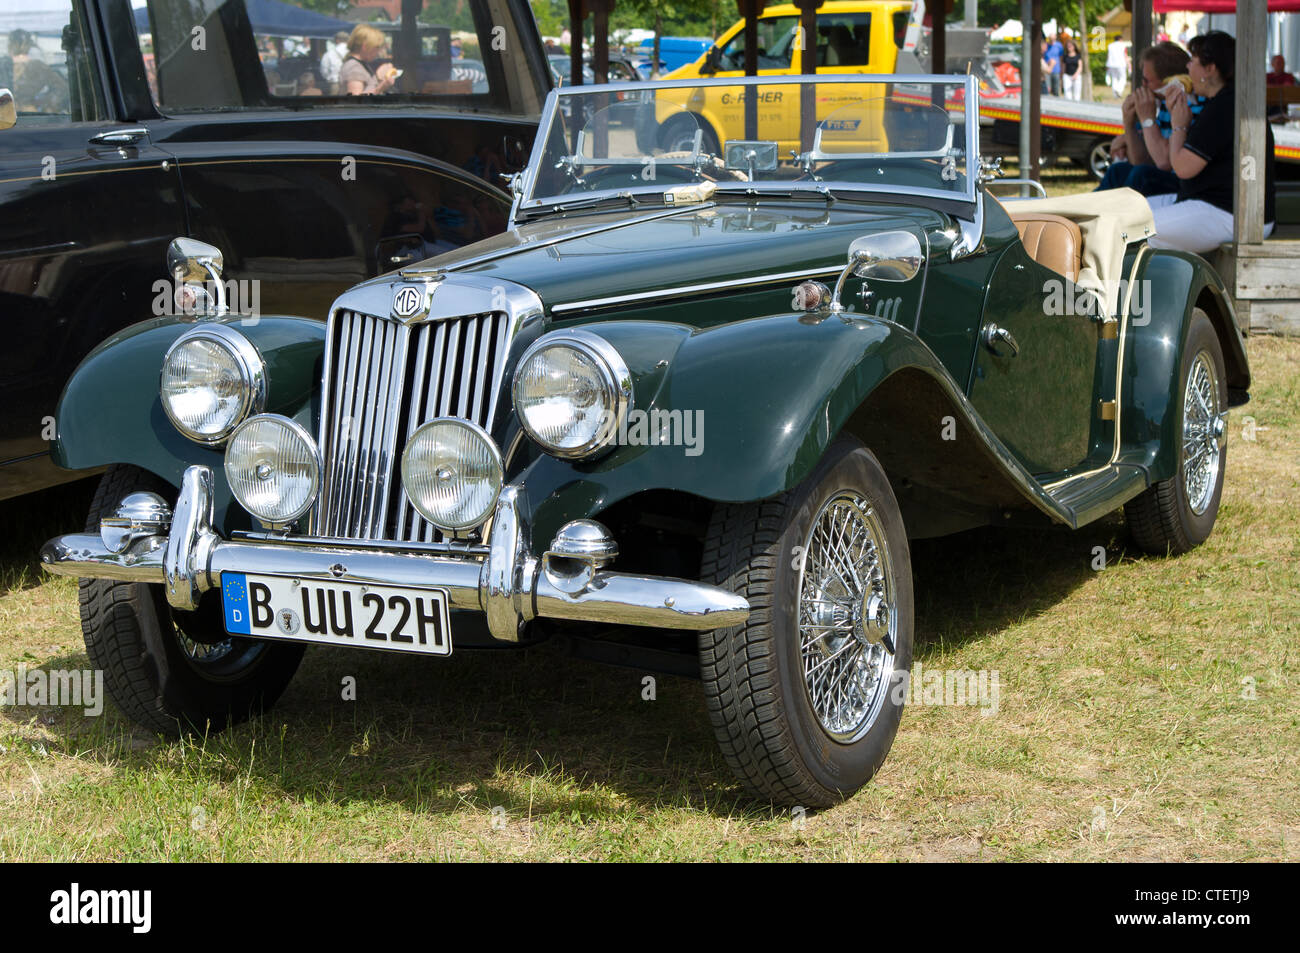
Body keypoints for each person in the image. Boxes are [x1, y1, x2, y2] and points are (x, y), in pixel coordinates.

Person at [1148, 31, 1277, 254]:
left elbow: (1182, 168)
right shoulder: (1226, 101)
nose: (1188, 67)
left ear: (1210, 69)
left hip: (1229, 214)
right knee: (1122, 212)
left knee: (1127, 230)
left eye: (1193, 60)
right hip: (1217, 206)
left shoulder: (1225, 106)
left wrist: (1179, 125)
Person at [1096, 42, 1205, 197]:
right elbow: (1138, 160)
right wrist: (1129, 125)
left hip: (1186, 186)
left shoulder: (1191, 105)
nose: (1143, 85)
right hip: (1165, 178)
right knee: (1117, 171)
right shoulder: (1164, 105)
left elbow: (1164, 162)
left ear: (1170, 81)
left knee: (1143, 175)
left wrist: (1148, 119)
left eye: (1147, 80)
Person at [340, 24, 396, 95]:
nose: (378, 52)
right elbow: (355, 100)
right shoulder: (354, 67)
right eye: (377, 47)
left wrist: (379, 79)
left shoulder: (360, 64)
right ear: (365, 47)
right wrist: (381, 87)